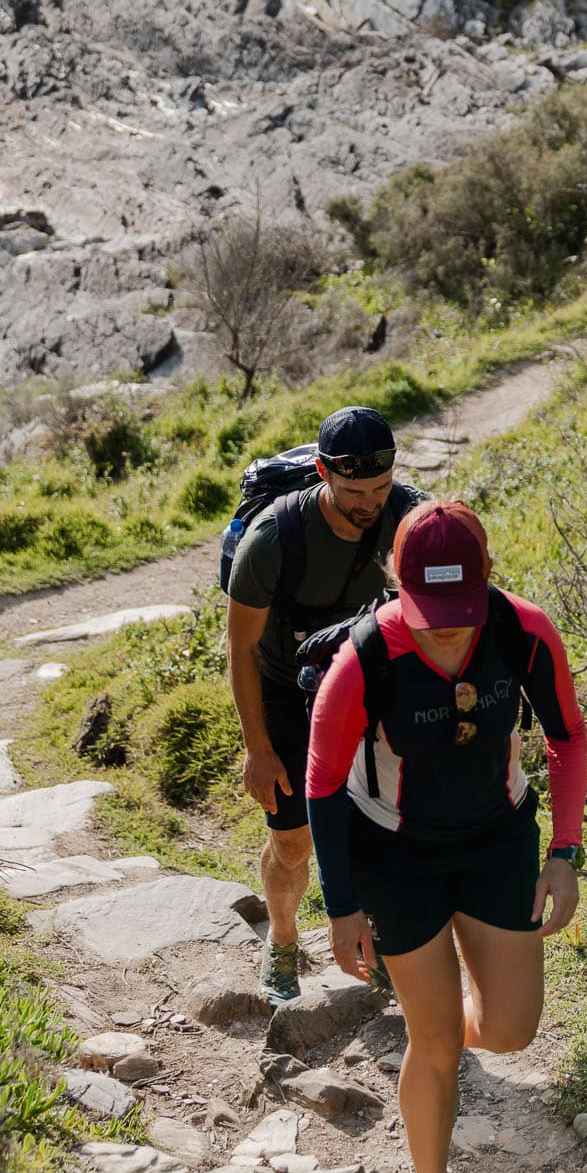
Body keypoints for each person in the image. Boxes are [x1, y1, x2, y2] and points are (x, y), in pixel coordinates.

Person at [305, 497, 587, 1173]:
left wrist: (563, 852)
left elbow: (566, 736)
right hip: (393, 855)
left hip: (497, 840)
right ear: (396, 585)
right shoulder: (362, 658)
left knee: (507, 1032)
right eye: (426, 614)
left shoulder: (522, 631)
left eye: (457, 612)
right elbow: (322, 786)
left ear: (487, 580)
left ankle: (434, 1025)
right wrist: (341, 905)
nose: (444, 631)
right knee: (432, 1039)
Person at [226, 404, 414, 1007]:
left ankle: (381, 939)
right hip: (285, 690)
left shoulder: (406, 516)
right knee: (293, 840)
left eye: (380, 488)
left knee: (382, 822)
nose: (369, 504)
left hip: (367, 682)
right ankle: (283, 942)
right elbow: (240, 645)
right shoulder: (274, 539)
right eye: (354, 491)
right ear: (321, 472)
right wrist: (257, 748)